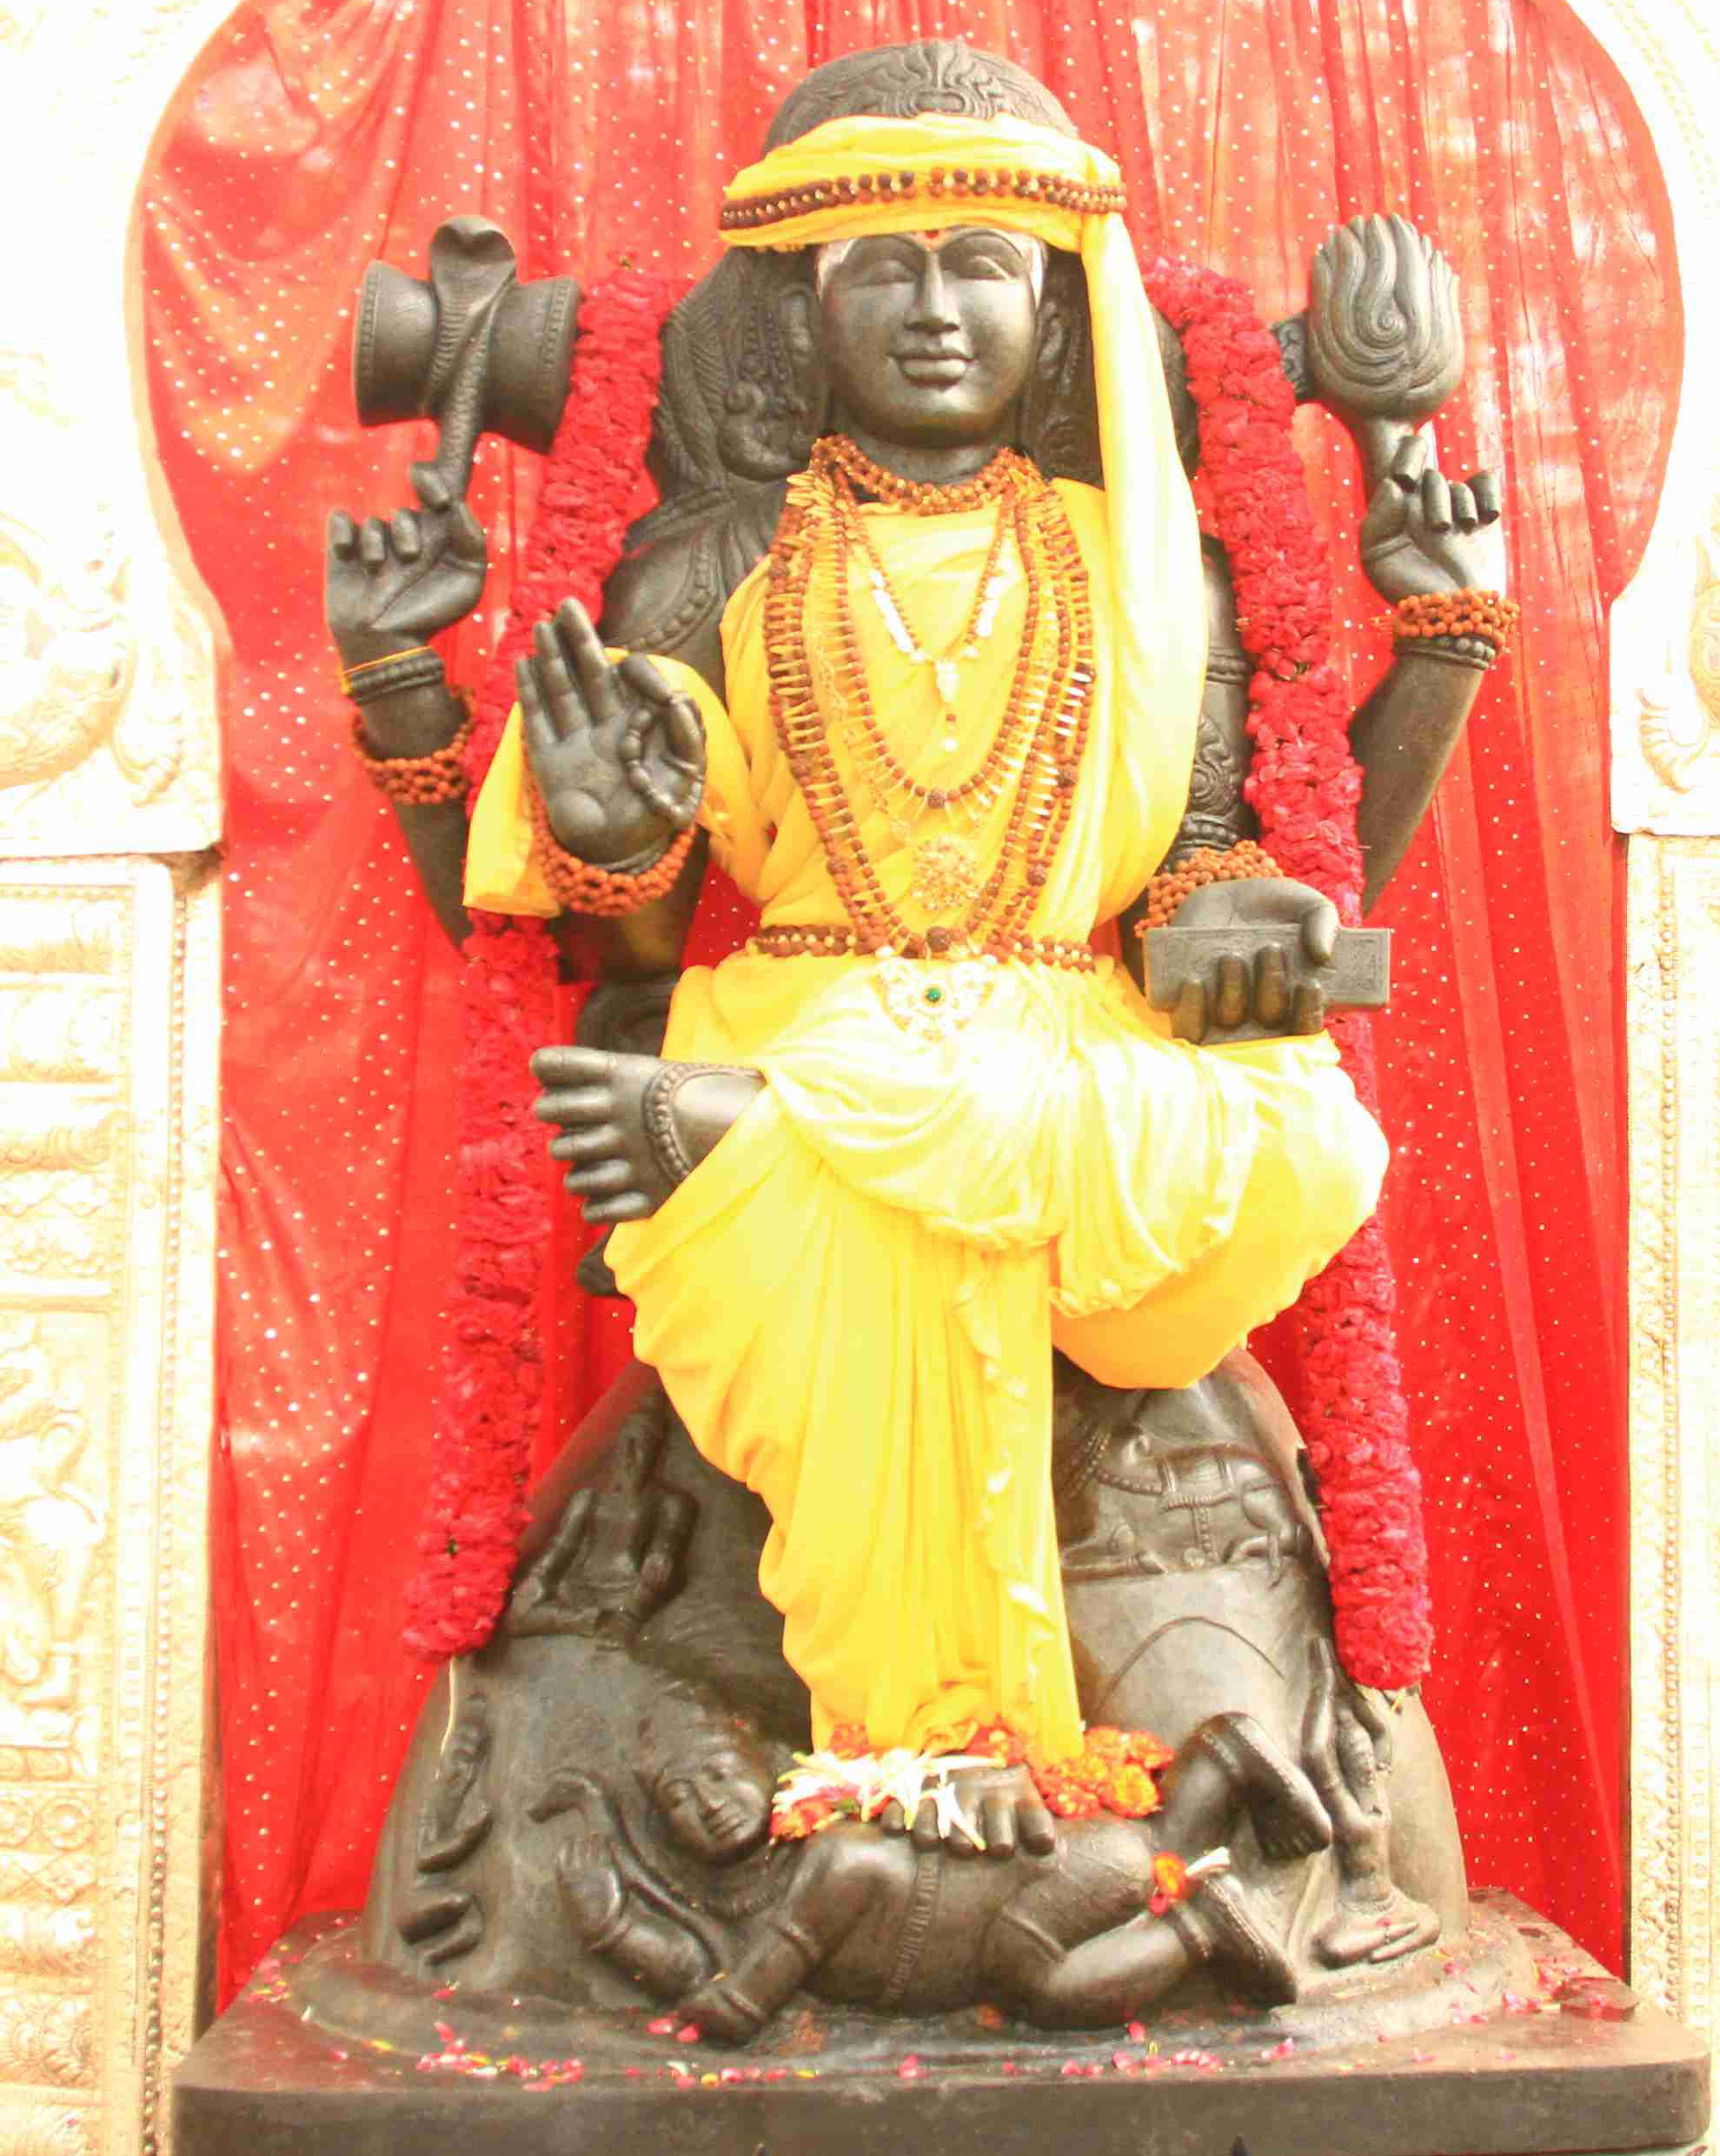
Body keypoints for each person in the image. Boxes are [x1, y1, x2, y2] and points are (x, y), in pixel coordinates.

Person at [456, 104, 1397, 1838]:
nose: (936, 310)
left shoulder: (1150, 568)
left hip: (1052, 1022)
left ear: (1054, 309)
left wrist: (1254, 917)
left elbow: (1197, 855)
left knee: (1324, 1144)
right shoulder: (709, 566)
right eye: (881, 269)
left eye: (981, 268)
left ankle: (776, 1143)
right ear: (808, 310)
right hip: (812, 1002)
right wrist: (617, 834)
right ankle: (925, 1731)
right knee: (887, 1156)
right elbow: (625, 941)